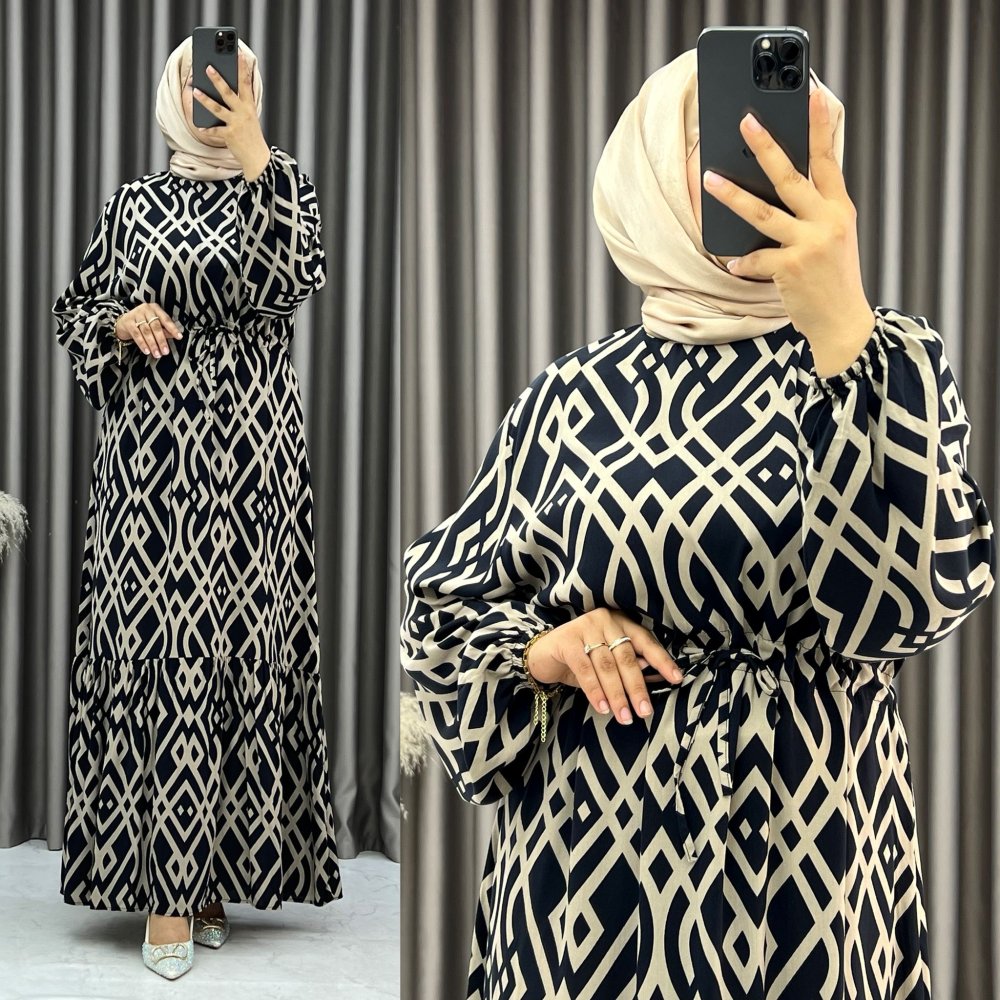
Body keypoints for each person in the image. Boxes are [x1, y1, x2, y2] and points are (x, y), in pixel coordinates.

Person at [399, 47, 996, 999]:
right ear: (646, 169)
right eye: (718, 141)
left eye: (793, 145)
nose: (763, 165)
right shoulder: (572, 395)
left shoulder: (893, 367)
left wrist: (846, 331)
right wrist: (543, 648)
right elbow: (441, 607)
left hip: (813, 866)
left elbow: (919, 603)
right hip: (588, 870)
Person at [52, 35, 342, 980]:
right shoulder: (132, 205)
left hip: (255, 461)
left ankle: (212, 869)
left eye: (233, 78)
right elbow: (74, 309)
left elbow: (299, 276)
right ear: (171, 92)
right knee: (159, 651)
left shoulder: (282, 186)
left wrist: (255, 147)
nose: (215, 92)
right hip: (150, 462)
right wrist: (119, 320)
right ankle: (167, 891)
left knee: (238, 648)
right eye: (200, 79)